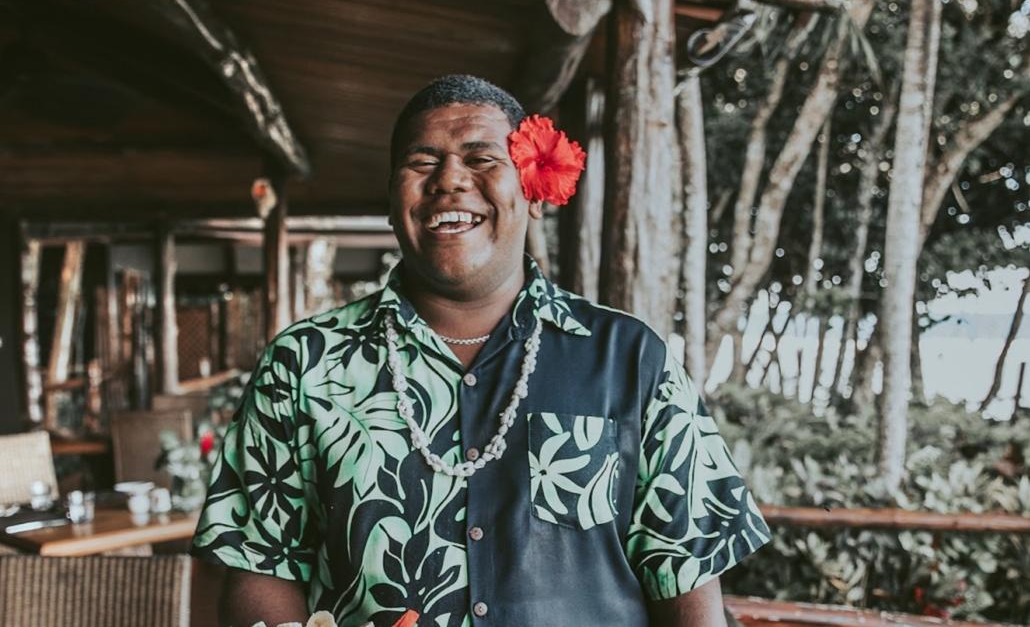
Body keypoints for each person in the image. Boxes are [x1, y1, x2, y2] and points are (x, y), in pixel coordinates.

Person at [191, 74, 770, 627]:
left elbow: (686, 572)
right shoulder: (305, 363)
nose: (449, 180)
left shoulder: (628, 358)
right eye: (422, 162)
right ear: (393, 200)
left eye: (481, 159)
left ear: (534, 188)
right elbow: (254, 563)